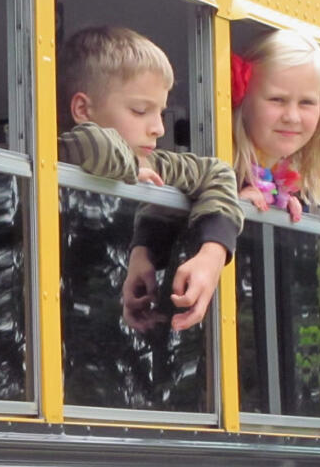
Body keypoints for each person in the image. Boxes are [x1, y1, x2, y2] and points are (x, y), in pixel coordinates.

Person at [57, 26, 243, 331]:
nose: (158, 128)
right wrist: (131, 171)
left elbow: (218, 173)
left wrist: (209, 255)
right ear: (82, 108)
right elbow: (94, 146)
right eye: (140, 110)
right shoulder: (65, 148)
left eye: (160, 112)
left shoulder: (153, 162)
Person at [230, 29, 320, 223]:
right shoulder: (221, 173)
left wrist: (281, 206)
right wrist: (235, 208)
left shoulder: (294, 187)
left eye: (306, 103)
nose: (292, 117)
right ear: (243, 99)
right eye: (277, 99)